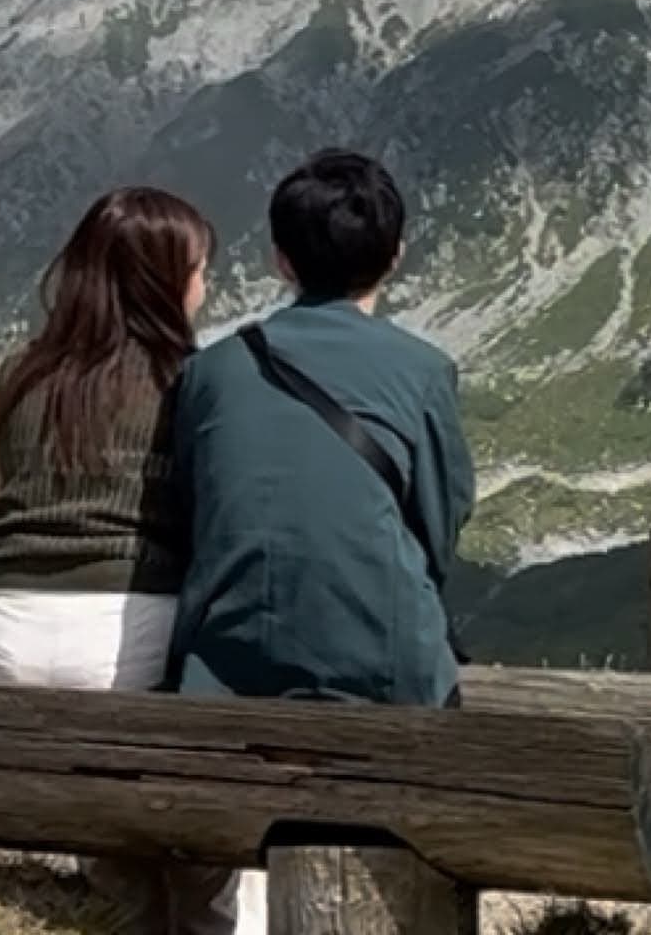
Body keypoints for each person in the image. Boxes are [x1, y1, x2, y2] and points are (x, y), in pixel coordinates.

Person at [0, 187, 228, 935]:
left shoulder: (10, 375)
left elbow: (1, 508)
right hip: (126, 643)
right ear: (164, 281)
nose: (206, 288)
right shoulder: (190, 382)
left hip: (1, 644)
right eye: (200, 270)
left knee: (113, 845)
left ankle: (122, 911)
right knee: (201, 824)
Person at [166, 150, 472, 710]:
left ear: (281, 261)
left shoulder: (209, 372)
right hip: (386, 666)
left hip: (225, 667)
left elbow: (195, 505)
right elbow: (440, 517)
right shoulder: (423, 371)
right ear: (396, 256)